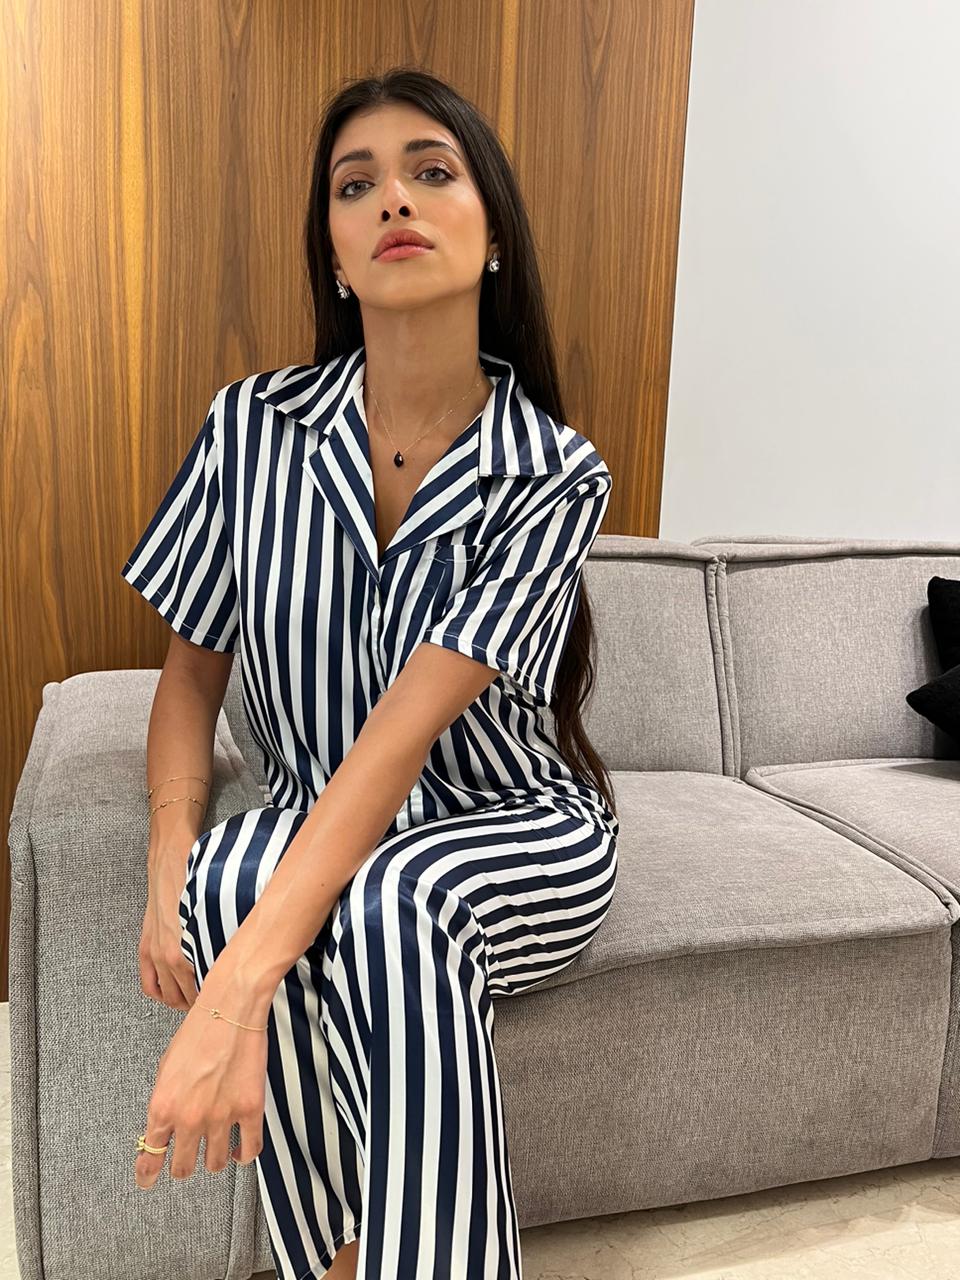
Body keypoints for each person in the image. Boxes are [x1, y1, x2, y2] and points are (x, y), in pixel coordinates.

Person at [123, 66, 619, 1280]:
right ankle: (342, 1258)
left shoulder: (553, 469)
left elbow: (401, 739)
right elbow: (189, 679)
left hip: (510, 826)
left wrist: (239, 987)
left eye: (431, 171)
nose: (394, 198)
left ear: (491, 232)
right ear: (336, 253)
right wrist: (166, 865)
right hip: (321, 815)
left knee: (394, 897)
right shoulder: (250, 429)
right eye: (358, 185)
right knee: (234, 871)